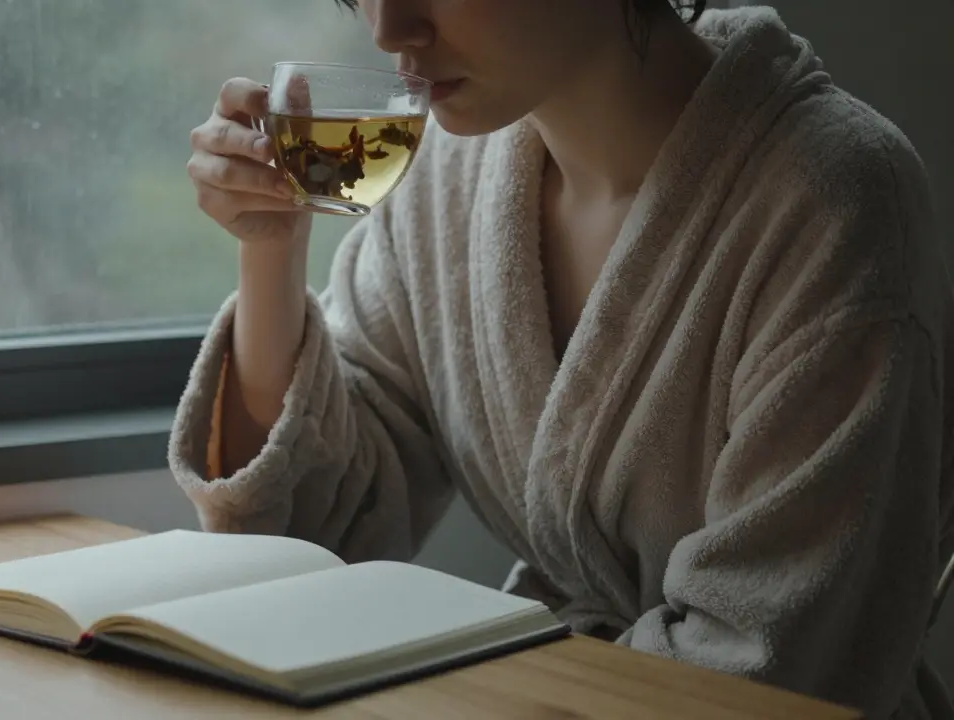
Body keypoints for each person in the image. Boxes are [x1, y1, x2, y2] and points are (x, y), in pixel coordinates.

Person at [173, 1, 954, 717]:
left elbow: (774, 670)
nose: (389, 29)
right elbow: (314, 530)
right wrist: (271, 255)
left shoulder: (835, 203)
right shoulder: (447, 174)